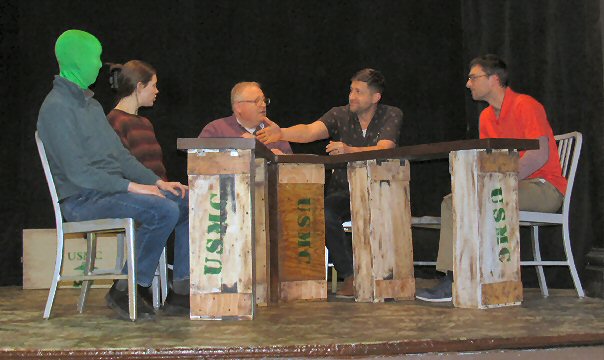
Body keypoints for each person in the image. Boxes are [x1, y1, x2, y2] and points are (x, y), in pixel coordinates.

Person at [37, 30, 189, 320]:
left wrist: (156, 182)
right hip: (82, 199)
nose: (98, 64)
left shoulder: (91, 106)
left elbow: (120, 157)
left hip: (108, 191)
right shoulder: (56, 108)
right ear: (77, 59)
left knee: (185, 200)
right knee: (162, 210)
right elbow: (78, 173)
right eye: (94, 57)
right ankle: (126, 288)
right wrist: (134, 188)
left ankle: (180, 291)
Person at [416, 54, 567, 302]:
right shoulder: (486, 117)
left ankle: (490, 278)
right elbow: (490, 158)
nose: (468, 84)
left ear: (494, 79)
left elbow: (539, 156)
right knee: (452, 201)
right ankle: (456, 275)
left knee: (489, 195)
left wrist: (502, 179)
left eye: (473, 77)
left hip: (544, 187)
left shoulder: (526, 105)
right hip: (509, 186)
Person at [256, 68, 403, 297]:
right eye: (351, 90)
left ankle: (390, 276)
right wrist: (281, 133)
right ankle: (350, 275)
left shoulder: (391, 114)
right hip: (345, 189)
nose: (352, 96)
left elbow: (385, 148)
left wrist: (349, 151)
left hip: (380, 189)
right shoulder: (339, 115)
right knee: (324, 213)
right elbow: (310, 130)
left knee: (391, 213)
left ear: (375, 97)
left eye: (359, 92)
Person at [105, 60, 191, 314]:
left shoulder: (145, 123)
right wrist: (152, 188)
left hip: (156, 190)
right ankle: (126, 284)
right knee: (174, 207)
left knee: (193, 202)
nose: (157, 91)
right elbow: (119, 167)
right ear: (139, 86)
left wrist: (166, 186)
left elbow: (155, 168)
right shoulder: (114, 122)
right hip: (132, 194)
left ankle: (182, 288)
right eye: (153, 85)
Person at [199, 81, 293, 155]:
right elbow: (199, 163)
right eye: (257, 101)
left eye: (264, 100)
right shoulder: (216, 130)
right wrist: (241, 149)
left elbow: (293, 171)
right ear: (238, 107)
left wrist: (281, 160)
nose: (263, 105)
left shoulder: (274, 131)